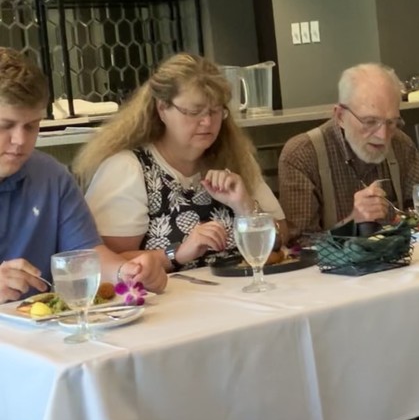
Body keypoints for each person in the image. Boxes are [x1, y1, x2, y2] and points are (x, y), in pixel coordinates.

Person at [76, 53, 284, 271]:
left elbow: (282, 235)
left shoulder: (233, 157)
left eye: (215, 111)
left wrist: (246, 207)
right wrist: (177, 253)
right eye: (194, 112)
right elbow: (107, 263)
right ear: (162, 108)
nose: (207, 122)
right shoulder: (128, 169)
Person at [0, 49, 166, 304]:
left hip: (37, 325)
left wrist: (127, 272)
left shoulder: (51, 177)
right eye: (5, 126)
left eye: (31, 126)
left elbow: (87, 254)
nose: (20, 140)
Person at [278, 62, 419, 240]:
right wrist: (352, 222)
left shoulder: (401, 144)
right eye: (370, 122)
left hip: (399, 266)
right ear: (340, 116)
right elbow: (300, 246)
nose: (382, 135)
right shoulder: (302, 155)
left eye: (391, 122)